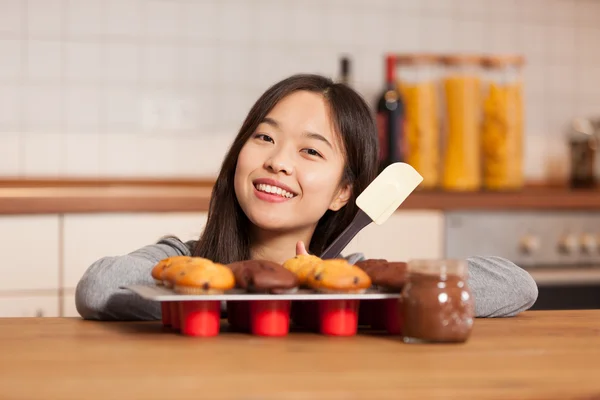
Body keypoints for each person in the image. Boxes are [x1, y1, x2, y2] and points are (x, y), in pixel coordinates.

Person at [75, 74, 538, 321]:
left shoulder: (349, 281)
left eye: (311, 151)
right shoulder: (184, 261)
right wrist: (248, 292)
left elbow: (517, 285)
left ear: (343, 192)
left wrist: (379, 285)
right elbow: (98, 288)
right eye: (263, 138)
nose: (278, 162)